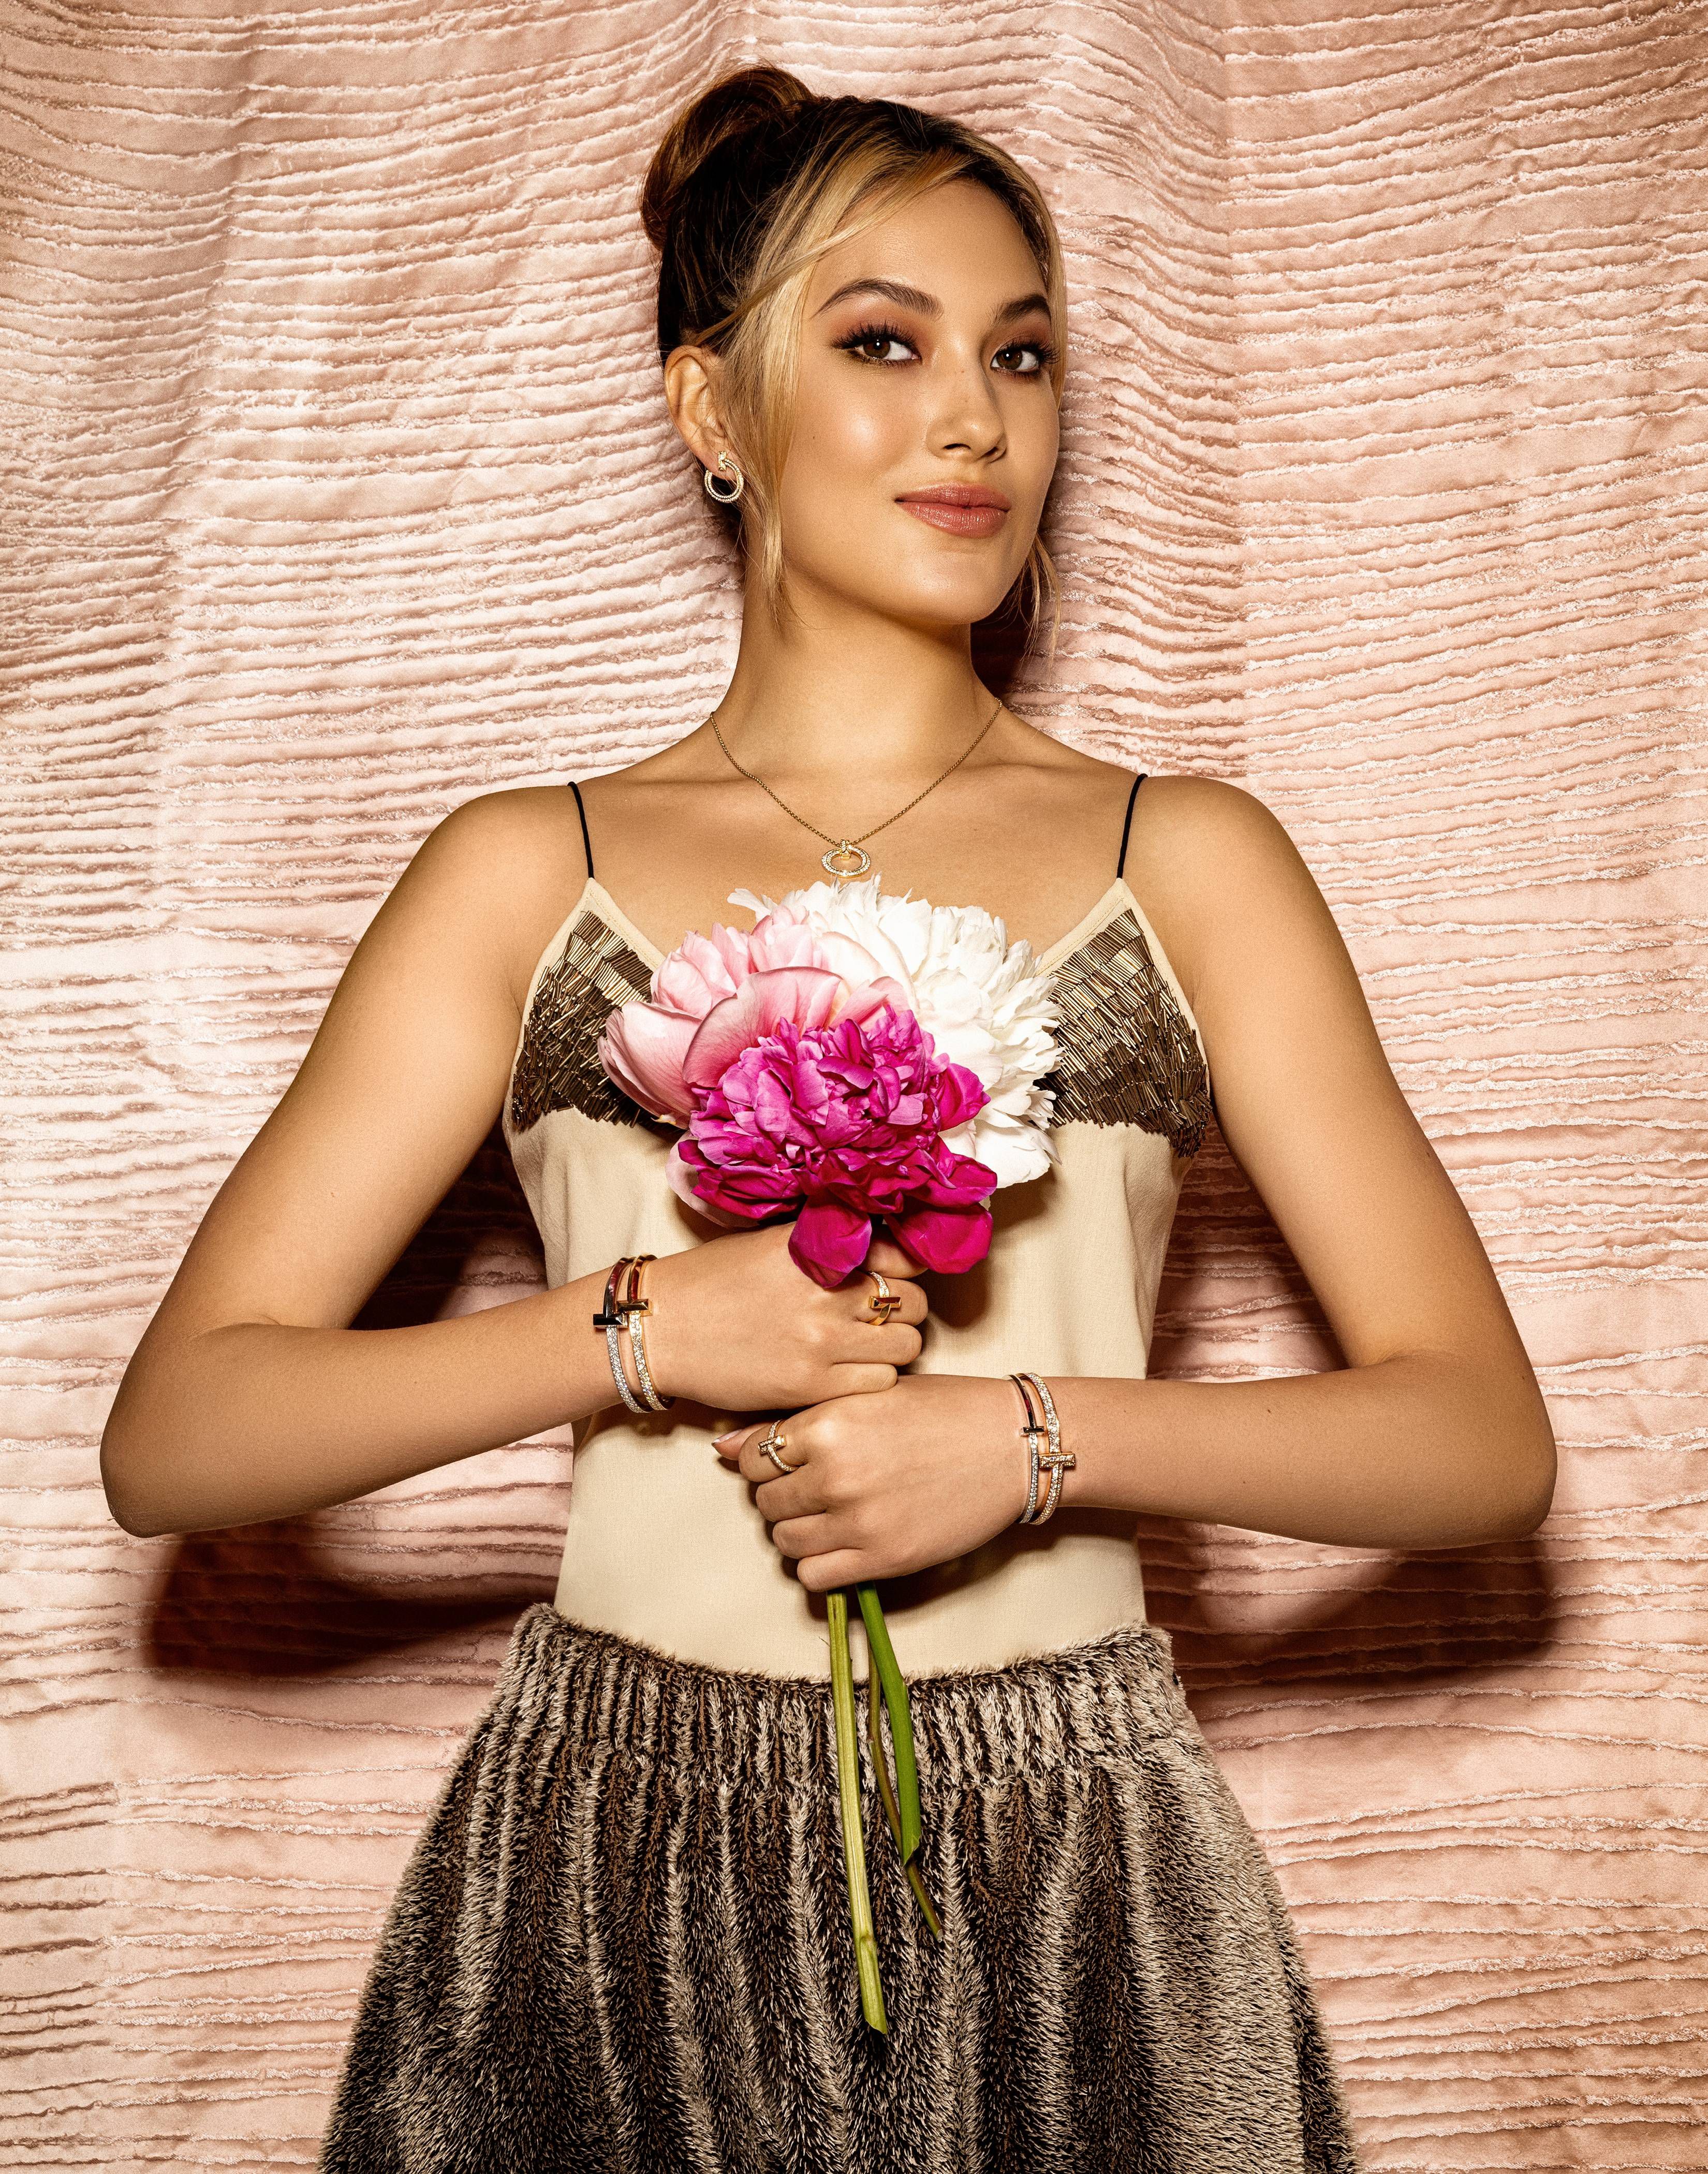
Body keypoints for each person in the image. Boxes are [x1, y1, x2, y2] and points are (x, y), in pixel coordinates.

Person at [100, 65, 1556, 2174]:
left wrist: (1034, 1442)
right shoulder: (522, 874)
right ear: (711, 408)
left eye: (1021, 355)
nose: (975, 418)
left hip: (1083, 1881)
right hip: (605, 1878)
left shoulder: (1190, 864)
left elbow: (1479, 1440)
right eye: (885, 343)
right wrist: (636, 1331)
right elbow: (180, 1437)